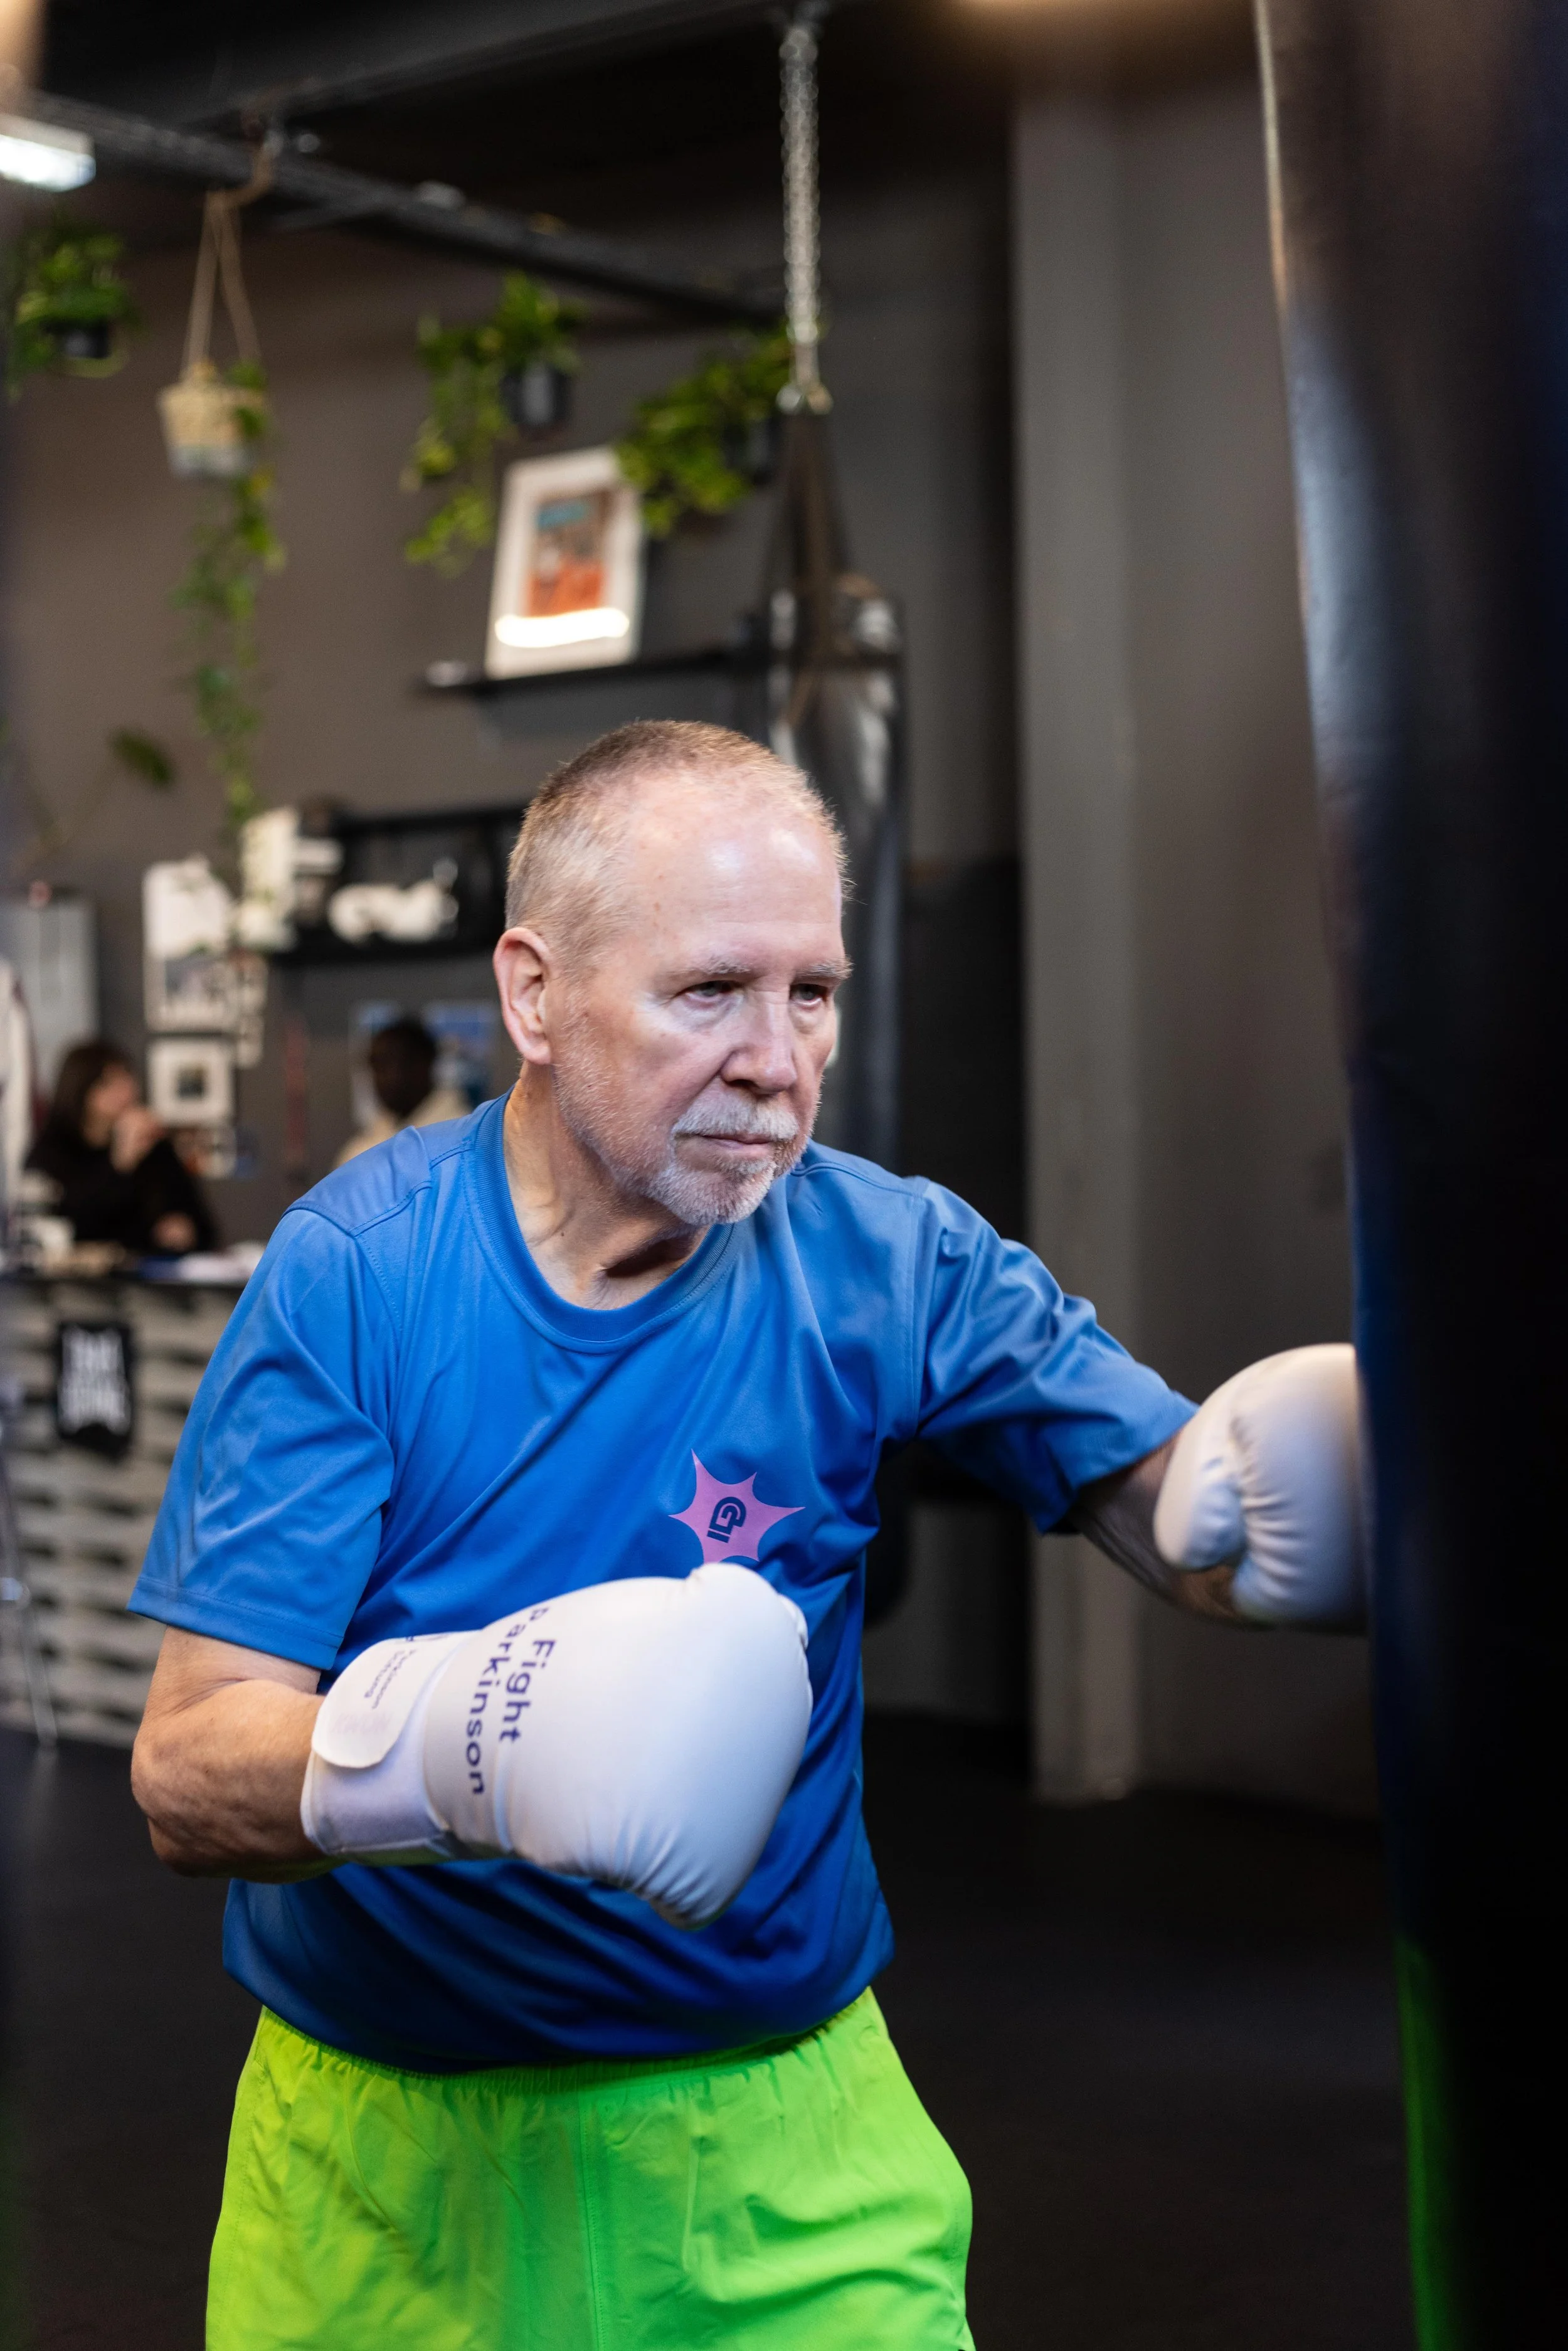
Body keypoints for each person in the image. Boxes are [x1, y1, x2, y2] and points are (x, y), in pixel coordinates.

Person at [128, 722, 1364, 2350]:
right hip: (383, 2166)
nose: (779, 1058)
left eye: (814, 992)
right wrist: (464, 1744)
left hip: (774, 2142)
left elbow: (1182, 1513)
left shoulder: (890, 1253)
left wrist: (1290, 1499)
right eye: (710, 990)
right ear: (534, 996)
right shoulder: (357, 1269)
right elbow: (183, 1764)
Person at [28, 1038, 216, 1258]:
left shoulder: (155, 1148)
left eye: (127, 1078)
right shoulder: (53, 1150)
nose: (125, 1092)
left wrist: (186, 1229)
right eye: (107, 1084)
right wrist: (120, 1164)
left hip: (153, 1281)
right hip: (77, 1285)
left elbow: (204, 1227)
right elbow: (65, 1227)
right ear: (80, 1090)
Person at [333, 1014, 472, 1167]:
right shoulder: (366, 1143)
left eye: (390, 1063)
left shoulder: (461, 1139)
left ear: (423, 1065)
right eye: (376, 1066)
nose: (381, 1078)